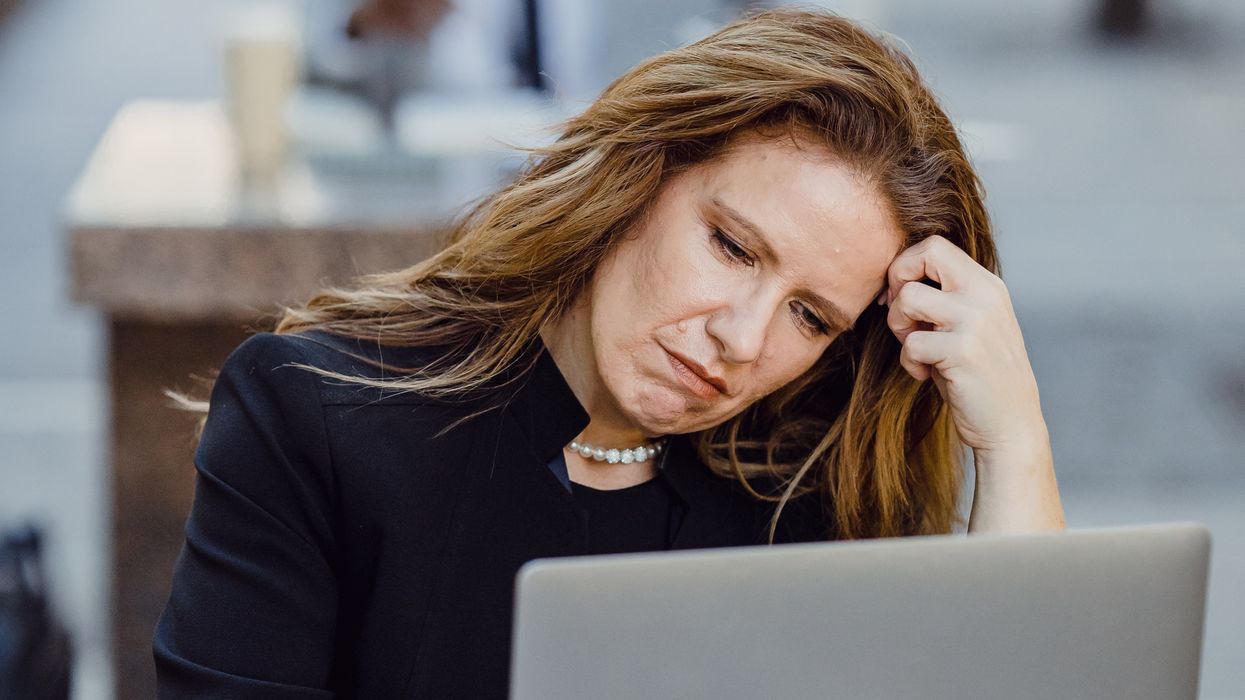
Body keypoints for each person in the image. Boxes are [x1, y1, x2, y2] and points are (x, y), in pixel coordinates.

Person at [153, 8, 1065, 698]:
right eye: (733, 247)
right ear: (636, 179)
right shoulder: (316, 417)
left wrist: (1015, 440)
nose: (740, 340)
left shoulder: (806, 497)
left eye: (810, 317)